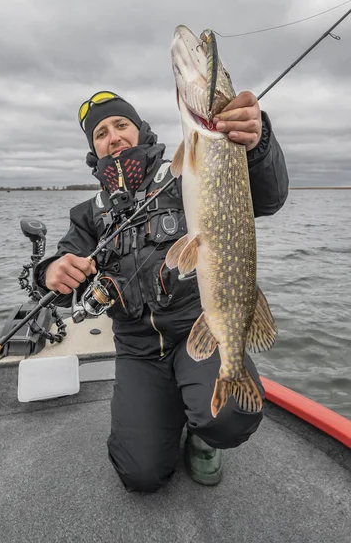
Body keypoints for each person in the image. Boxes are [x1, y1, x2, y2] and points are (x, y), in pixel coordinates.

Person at [34, 90, 289, 492]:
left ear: (141, 130)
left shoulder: (186, 174)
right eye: (101, 132)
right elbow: (65, 274)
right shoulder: (86, 214)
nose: (113, 136)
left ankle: (203, 434)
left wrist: (256, 146)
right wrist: (51, 272)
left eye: (121, 125)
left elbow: (267, 198)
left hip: (195, 329)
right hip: (138, 349)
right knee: (141, 473)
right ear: (93, 148)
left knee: (232, 413)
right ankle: (170, 410)